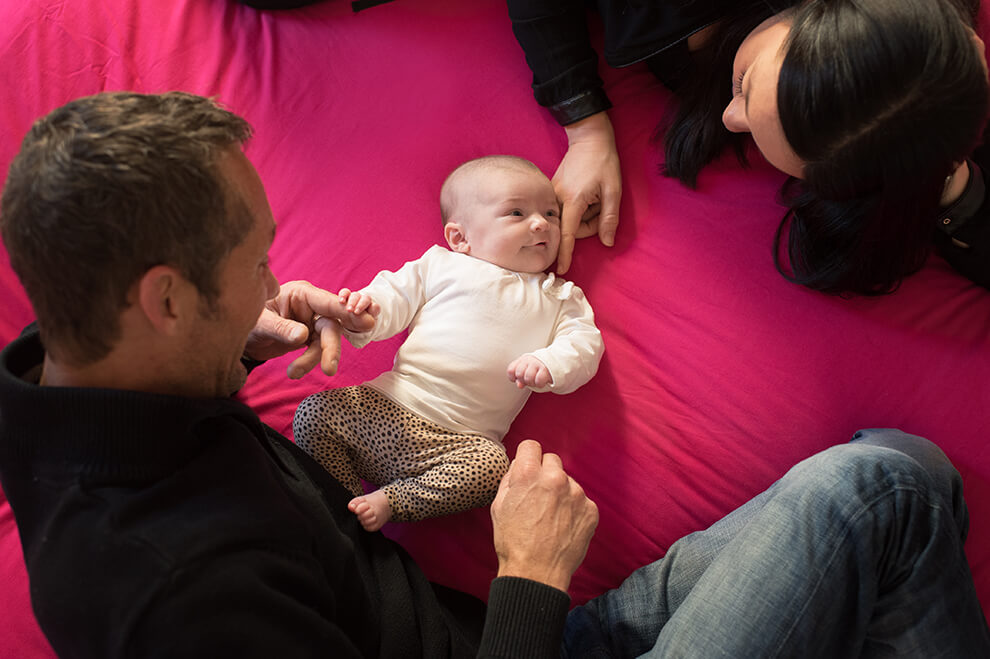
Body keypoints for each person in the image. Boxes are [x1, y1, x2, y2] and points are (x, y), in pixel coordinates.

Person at [0, 91, 987, 657]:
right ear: (164, 299)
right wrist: (531, 567)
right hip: (522, 619)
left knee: (901, 472)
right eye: (257, 259)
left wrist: (246, 336)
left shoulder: (90, 383)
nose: (281, 278)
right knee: (889, 492)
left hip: (513, 634)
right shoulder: (170, 596)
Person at [506, 0, 990, 294]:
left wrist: (943, 173)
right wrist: (586, 125)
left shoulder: (925, 55)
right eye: (744, 85)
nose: (728, 117)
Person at [293, 155, 604, 532]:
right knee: (313, 413)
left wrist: (551, 363)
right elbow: (394, 295)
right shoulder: (441, 266)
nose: (541, 223)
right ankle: (341, 508)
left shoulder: (559, 296)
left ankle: (391, 502)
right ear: (460, 238)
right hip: (385, 408)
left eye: (552, 214)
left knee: (492, 470)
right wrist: (365, 310)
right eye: (517, 213)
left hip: (458, 443)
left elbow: (585, 344)